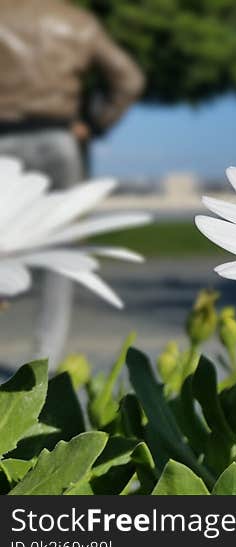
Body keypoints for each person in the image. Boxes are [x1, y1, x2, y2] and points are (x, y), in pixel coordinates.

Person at [0, 0, 144, 365]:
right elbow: (130, 79)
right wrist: (95, 124)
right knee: (64, 254)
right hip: (57, 141)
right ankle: (44, 360)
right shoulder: (77, 21)